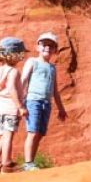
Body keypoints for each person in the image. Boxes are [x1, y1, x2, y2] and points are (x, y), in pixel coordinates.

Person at [20, 32, 67, 171]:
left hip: (46, 103)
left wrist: (61, 109)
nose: (47, 47)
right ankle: (28, 164)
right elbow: (23, 81)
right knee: (33, 132)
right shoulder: (32, 62)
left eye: (51, 45)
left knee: (40, 134)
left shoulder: (52, 68)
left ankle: (31, 163)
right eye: (44, 44)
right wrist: (21, 103)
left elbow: (55, 90)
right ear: (37, 47)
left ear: (55, 50)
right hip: (33, 100)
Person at [0, 37, 28, 174]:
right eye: (21, 54)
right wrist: (20, 106)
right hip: (11, 108)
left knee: (4, 135)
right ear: (14, 55)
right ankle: (6, 164)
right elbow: (11, 88)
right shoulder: (14, 72)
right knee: (9, 135)